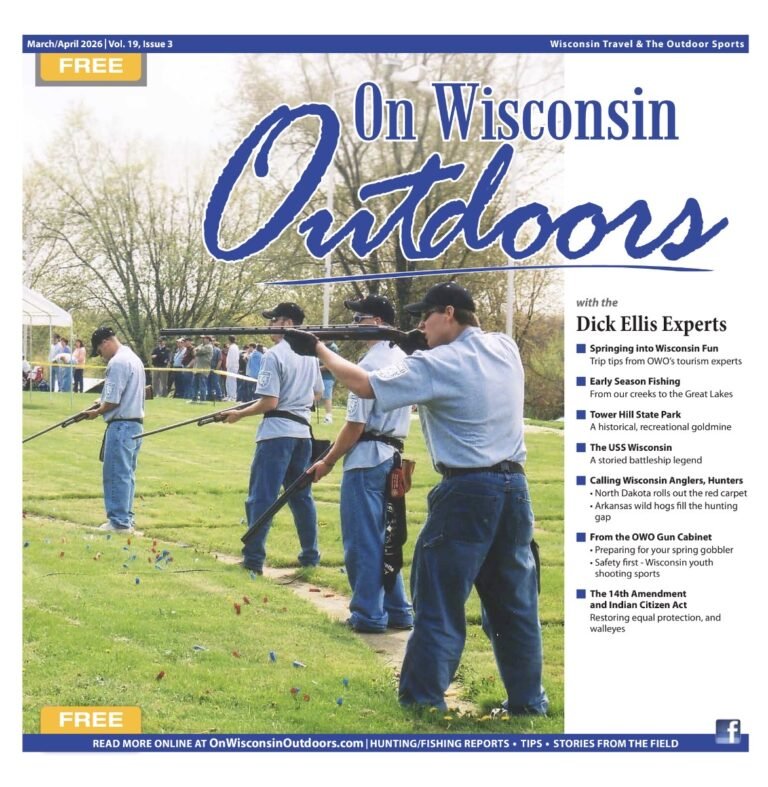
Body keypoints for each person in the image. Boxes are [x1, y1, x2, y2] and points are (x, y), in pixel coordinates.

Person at [286, 282, 548, 714]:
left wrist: (319, 350)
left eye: (425, 317)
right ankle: (527, 703)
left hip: (466, 492)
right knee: (515, 605)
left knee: (439, 600)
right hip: (514, 490)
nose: (420, 326)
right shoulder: (504, 347)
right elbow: (452, 356)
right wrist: (412, 344)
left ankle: (423, 701)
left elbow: (365, 385)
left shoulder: (439, 363)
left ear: (449, 312)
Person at [308, 295, 413, 633]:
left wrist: (326, 461)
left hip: (366, 459)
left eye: (360, 319)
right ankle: (397, 609)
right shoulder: (401, 357)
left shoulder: (367, 366)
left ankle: (368, 614)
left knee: (363, 541)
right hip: (391, 456)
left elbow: (355, 425)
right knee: (386, 539)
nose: (354, 326)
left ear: (379, 322)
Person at [222, 302, 323, 575]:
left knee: (261, 497)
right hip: (302, 433)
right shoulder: (312, 355)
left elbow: (269, 402)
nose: (269, 326)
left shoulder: (274, 355)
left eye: (274, 320)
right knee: (302, 498)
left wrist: (239, 414)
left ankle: (253, 559)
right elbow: (317, 394)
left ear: (288, 323)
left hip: (276, 433)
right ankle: (310, 555)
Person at [85, 327, 145, 533]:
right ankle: (126, 518)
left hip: (121, 425)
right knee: (127, 474)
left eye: (100, 351)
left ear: (105, 343)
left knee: (115, 473)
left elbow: (111, 401)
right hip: (135, 425)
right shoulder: (134, 359)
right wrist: (100, 401)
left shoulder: (117, 362)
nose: (101, 356)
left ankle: (118, 522)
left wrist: (96, 411)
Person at [319, 342, 339, 423]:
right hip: (317, 376)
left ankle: (328, 416)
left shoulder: (333, 347)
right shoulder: (320, 345)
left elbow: (332, 364)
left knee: (327, 396)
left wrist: (317, 368)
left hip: (328, 376)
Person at [190, 335, 213, 402]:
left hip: (203, 369)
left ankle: (202, 400)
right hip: (197, 369)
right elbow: (193, 351)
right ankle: (194, 399)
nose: (202, 339)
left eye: (204, 338)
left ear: (208, 339)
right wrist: (195, 350)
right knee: (195, 385)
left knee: (202, 385)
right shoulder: (201, 345)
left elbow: (199, 352)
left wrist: (196, 350)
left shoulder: (209, 346)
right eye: (202, 338)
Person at [225, 334, 239, 401]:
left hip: (232, 367)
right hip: (231, 367)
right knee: (228, 381)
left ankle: (232, 396)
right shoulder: (233, 347)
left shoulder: (233, 347)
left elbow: (233, 358)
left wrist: (229, 366)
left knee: (232, 381)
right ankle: (229, 395)